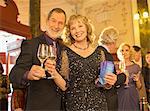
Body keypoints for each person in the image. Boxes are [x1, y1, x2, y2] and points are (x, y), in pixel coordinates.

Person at [45, 14, 118, 111]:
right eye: (73, 28)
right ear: (69, 32)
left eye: (80, 26)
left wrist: (109, 82)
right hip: (74, 105)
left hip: (98, 104)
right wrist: (53, 72)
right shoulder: (65, 52)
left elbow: (102, 83)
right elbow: (64, 86)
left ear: (87, 28)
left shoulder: (100, 53)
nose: (77, 31)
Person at [9, 8, 67, 111]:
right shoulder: (31, 44)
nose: (56, 26)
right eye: (53, 21)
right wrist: (28, 74)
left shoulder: (65, 48)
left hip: (62, 106)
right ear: (47, 21)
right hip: (39, 105)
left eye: (60, 23)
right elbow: (14, 74)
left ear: (64, 26)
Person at [98, 26, 126, 111]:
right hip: (108, 101)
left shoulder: (97, 51)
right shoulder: (105, 54)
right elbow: (106, 82)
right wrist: (124, 76)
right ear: (112, 41)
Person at [117, 43, 142, 111]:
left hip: (132, 93)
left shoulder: (136, 67)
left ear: (130, 52)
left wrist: (137, 80)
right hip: (120, 93)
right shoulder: (116, 66)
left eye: (126, 50)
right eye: (122, 50)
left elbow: (139, 87)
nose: (124, 52)